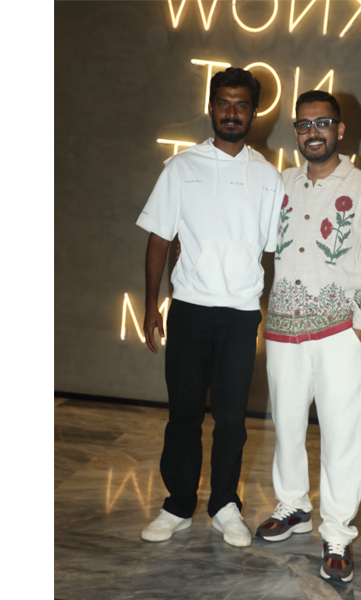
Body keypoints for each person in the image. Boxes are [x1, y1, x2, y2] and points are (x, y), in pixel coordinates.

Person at [136, 67, 285, 548]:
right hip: (190, 309)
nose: (232, 112)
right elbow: (159, 239)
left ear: (254, 112)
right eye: (224, 103)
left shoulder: (269, 177)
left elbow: (276, 251)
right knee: (183, 414)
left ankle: (224, 506)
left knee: (231, 420)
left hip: (241, 314)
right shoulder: (181, 167)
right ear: (211, 107)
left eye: (241, 105)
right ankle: (178, 505)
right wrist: (151, 303)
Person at [256, 90, 361, 582]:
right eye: (303, 124)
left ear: (340, 129)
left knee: (340, 434)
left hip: (340, 329)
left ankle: (336, 531)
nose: (312, 132)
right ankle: (294, 505)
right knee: (287, 425)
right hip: (283, 326)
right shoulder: (282, 183)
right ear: (296, 132)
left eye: (322, 123)